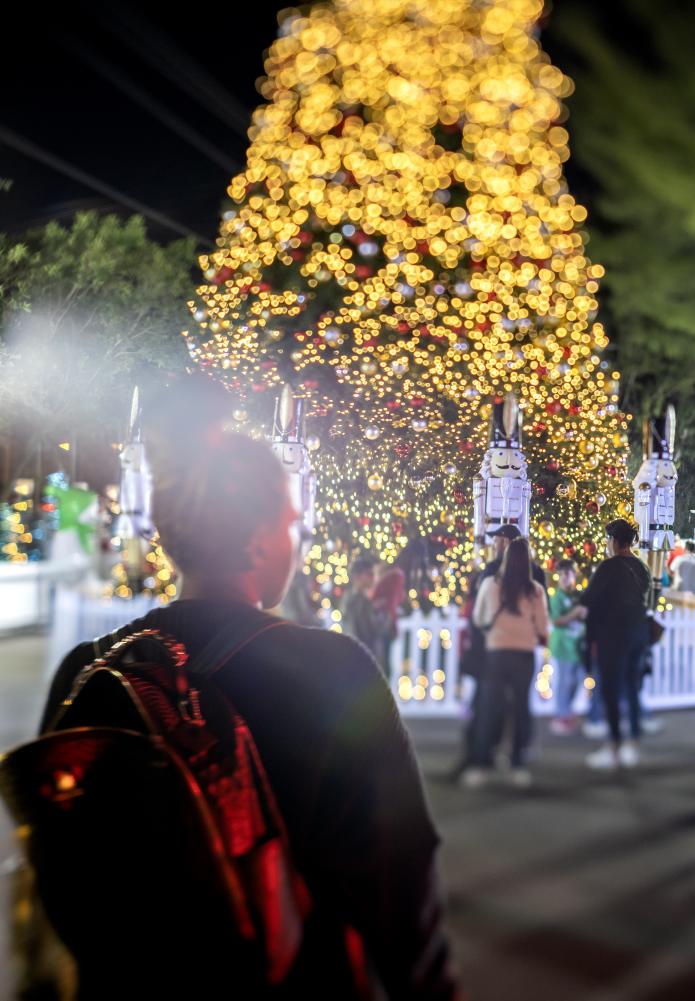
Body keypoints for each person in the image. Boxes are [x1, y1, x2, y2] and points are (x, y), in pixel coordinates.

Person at [37, 382, 455, 997]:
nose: (296, 538)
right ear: (259, 539)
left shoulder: (90, 669)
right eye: (290, 523)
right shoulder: (331, 671)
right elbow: (400, 880)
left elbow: (58, 864)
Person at [463, 538, 550, 790]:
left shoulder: (490, 584)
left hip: (496, 652)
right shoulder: (535, 590)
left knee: (489, 707)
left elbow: (479, 617)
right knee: (521, 707)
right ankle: (516, 763)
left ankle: (481, 764)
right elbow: (543, 626)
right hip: (524, 653)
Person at [582, 519, 654, 770]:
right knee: (632, 688)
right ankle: (632, 744)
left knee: (610, 689)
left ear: (614, 540)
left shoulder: (609, 567)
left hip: (613, 634)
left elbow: (589, 598)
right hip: (638, 632)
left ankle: (613, 745)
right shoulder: (642, 567)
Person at [547, 559, 589, 736]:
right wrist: (576, 613)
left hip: (577, 646)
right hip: (563, 646)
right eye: (562, 574)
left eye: (568, 574)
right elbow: (556, 620)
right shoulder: (557, 597)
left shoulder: (576, 596)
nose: (565, 578)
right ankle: (561, 715)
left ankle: (567, 710)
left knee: (578, 679)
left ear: (574, 575)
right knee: (564, 682)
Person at [340, 556, 388, 661]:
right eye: (370, 574)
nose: (374, 578)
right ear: (357, 577)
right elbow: (372, 631)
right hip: (363, 659)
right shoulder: (358, 602)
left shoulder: (352, 598)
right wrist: (386, 614)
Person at [370, 559, 407, 678]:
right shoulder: (391, 577)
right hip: (381, 624)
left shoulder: (393, 577)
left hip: (383, 625)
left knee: (382, 660)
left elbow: (391, 602)